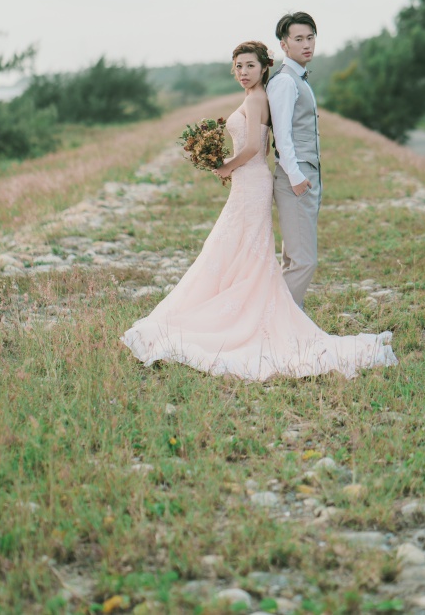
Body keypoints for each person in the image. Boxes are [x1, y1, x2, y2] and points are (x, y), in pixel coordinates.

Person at [121, 40, 397, 380]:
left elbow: (253, 147)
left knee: (238, 246)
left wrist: (226, 166)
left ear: (264, 66)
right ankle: (235, 307)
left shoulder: (256, 98)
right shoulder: (254, 96)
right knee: (237, 248)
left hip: (251, 182)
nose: (242, 72)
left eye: (249, 66)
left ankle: (244, 317)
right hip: (249, 182)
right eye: (238, 67)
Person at [266, 12, 320, 307]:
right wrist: (297, 178)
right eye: (298, 39)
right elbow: (282, 136)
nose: (306, 44)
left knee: (293, 259)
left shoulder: (298, 78)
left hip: (303, 177)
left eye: (310, 38)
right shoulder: (286, 82)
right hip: (294, 179)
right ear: (284, 45)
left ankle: (286, 325)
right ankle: (278, 326)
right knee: (303, 261)